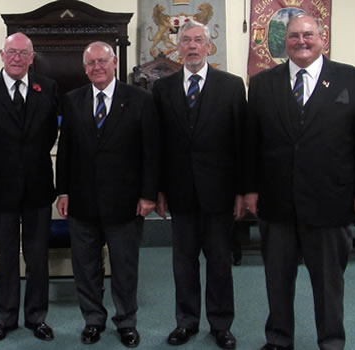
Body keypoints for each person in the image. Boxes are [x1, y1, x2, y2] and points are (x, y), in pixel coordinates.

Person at [244, 14, 355, 350]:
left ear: (323, 38)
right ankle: (278, 338)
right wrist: (249, 189)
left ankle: (331, 341)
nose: (301, 41)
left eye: (308, 35)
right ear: (283, 42)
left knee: (328, 283)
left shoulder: (354, 80)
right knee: (277, 280)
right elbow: (251, 142)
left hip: (330, 201)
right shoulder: (263, 83)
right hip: (277, 202)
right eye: (293, 36)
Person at [56, 41, 159, 348]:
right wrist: (62, 190)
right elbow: (66, 151)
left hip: (126, 202)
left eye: (102, 61)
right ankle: (93, 319)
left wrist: (148, 195)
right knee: (85, 267)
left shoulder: (140, 99)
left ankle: (126, 321)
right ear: (84, 68)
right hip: (82, 201)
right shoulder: (73, 100)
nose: (96, 67)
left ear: (114, 62)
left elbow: (151, 152)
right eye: (90, 64)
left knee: (124, 267)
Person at [0, 32, 58, 344]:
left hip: (37, 186)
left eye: (23, 53)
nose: (16, 58)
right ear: (2, 56)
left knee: (37, 256)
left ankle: (36, 318)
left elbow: (48, 135)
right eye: (11, 52)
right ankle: (5, 318)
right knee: (5, 257)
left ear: (32, 58)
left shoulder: (48, 88)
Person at [153, 20, 244, 350]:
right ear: (178, 48)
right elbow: (157, 145)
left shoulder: (232, 87)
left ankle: (221, 324)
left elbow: (241, 143)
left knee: (220, 263)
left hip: (219, 193)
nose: (192, 46)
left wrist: (240, 190)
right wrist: (158, 189)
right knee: (183, 263)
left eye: (198, 41)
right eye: (186, 41)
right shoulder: (162, 89)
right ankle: (186, 322)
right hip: (180, 193)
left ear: (209, 47)